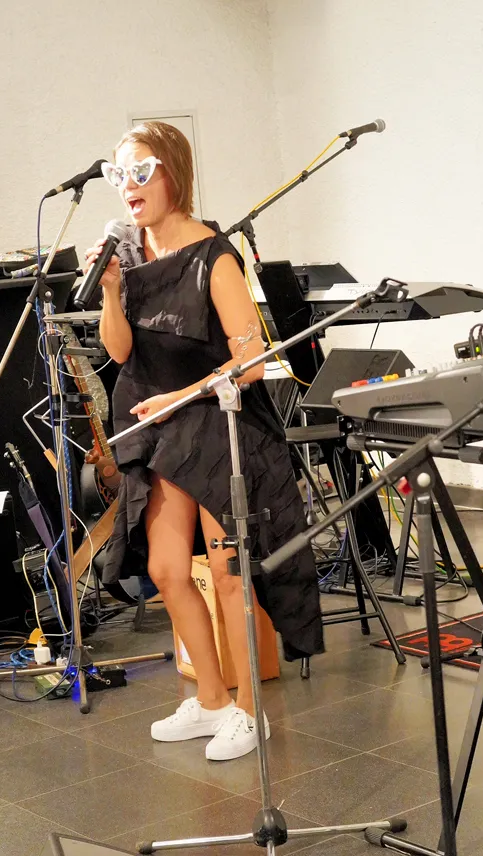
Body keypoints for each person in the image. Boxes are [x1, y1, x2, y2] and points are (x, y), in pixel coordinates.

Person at [85, 121, 323, 761]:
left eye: (141, 172)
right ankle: (211, 700)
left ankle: (248, 711)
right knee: (166, 568)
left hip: (221, 425)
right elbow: (120, 352)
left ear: (174, 174)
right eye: (119, 175)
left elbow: (250, 361)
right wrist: (111, 292)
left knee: (227, 573)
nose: (128, 186)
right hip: (162, 430)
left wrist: (179, 397)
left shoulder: (215, 256)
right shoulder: (132, 256)